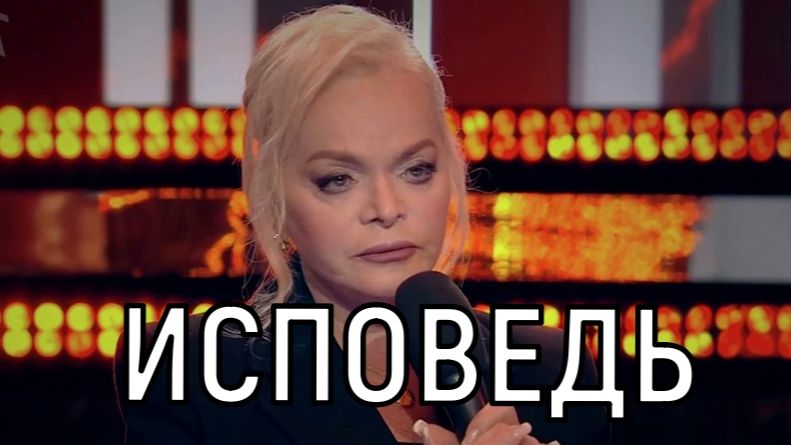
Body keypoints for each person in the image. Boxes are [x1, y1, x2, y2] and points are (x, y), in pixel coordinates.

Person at [114, 5, 610, 444]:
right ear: (274, 194)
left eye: (416, 169)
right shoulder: (189, 370)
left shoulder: (551, 367)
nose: (386, 208)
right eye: (338, 179)